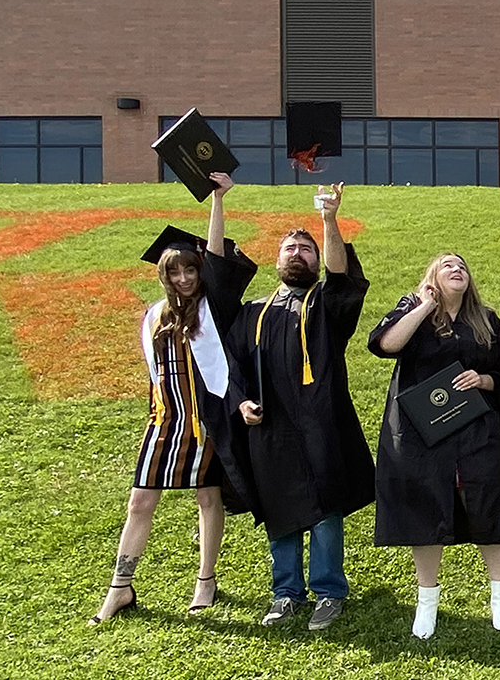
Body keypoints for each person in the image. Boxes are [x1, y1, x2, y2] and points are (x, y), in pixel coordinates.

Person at [92, 173, 257, 623]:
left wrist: (218, 200)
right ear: (163, 276)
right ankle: (120, 588)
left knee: (209, 497)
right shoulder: (154, 316)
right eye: (175, 272)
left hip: (207, 420)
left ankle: (206, 581)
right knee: (140, 502)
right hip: (165, 422)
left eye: (190, 269)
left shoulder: (215, 305)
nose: (184, 278)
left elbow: (219, 257)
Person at [229, 182, 373, 631]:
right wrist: (241, 402)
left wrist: (328, 220)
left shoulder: (326, 307)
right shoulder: (253, 312)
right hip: (270, 428)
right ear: (276, 260)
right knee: (280, 510)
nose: (298, 253)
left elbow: (341, 278)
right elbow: (230, 365)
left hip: (321, 424)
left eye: (306, 249)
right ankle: (285, 592)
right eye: (290, 247)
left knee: (326, 507)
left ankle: (328, 592)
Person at [369, 253, 500, 638]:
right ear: (432, 278)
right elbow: (387, 343)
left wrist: (484, 381)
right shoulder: (413, 309)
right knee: (424, 511)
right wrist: (424, 306)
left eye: (462, 267)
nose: (457, 270)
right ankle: (427, 602)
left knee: (491, 506)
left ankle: (499, 597)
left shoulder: (485, 320)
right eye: (447, 266)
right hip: (424, 435)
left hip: (476, 431)